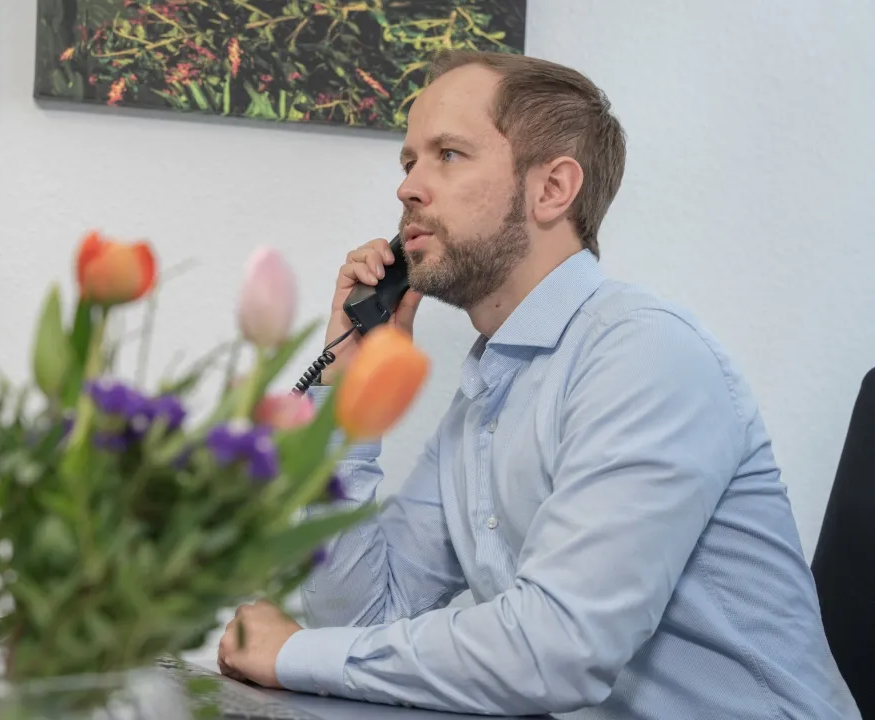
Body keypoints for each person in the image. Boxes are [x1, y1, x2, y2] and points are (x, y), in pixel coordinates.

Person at [216, 49, 860, 719]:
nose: (408, 188)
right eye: (409, 163)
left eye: (448, 155)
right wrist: (348, 407)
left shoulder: (643, 356)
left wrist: (293, 655)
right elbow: (360, 614)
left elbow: (558, 651)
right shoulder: (488, 392)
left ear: (552, 189)